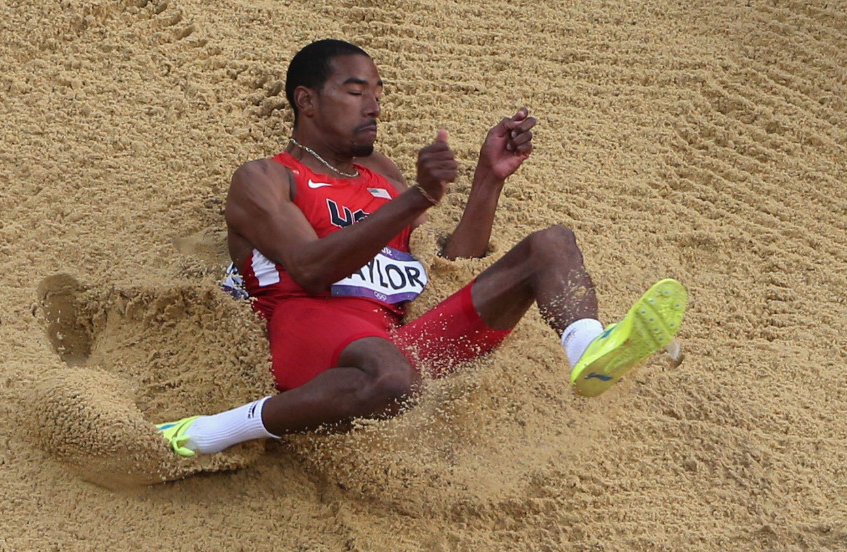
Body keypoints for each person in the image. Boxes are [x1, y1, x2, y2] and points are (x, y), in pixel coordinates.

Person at [156, 39, 686, 457]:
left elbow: (446, 266)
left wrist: (488, 179)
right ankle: (212, 432)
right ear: (307, 101)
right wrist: (417, 197)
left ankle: (587, 349)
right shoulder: (265, 177)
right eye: (356, 91)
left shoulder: (380, 175)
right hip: (310, 333)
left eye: (378, 94)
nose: (375, 107)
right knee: (391, 376)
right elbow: (312, 269)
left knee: (551, 244)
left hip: (396, 343)